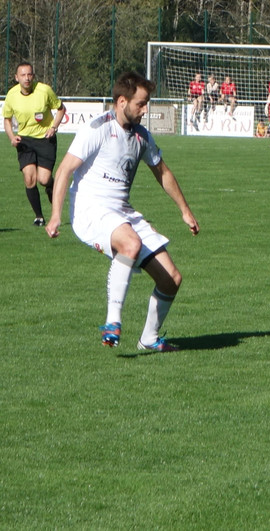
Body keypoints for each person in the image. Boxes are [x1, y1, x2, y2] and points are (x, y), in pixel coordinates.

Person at [45, 71, 199, 352]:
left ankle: (149, 339)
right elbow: (64, 170)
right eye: (141, 104)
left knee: (171, 279)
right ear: (121, 102)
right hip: (90, 210)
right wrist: (56, 215)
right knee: (130, 243)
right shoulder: (98, 128)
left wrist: (185, 211)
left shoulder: (142, 136)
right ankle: (112, 322)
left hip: (121, 213)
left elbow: (162, 172)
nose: (145, 110)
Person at [3, 62, 67, 226]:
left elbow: (61, 109)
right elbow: (7, 119)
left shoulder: (44, 90)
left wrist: (53, 127)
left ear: (33, 76)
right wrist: (12, 137)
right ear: (16, 77)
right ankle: (39, 217)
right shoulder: (11, 95)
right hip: (25, 141)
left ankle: (51, 187)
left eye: (29, 74)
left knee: (43, 180)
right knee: (29, 178)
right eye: (23, 75)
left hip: (45, 139)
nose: (27, 78)